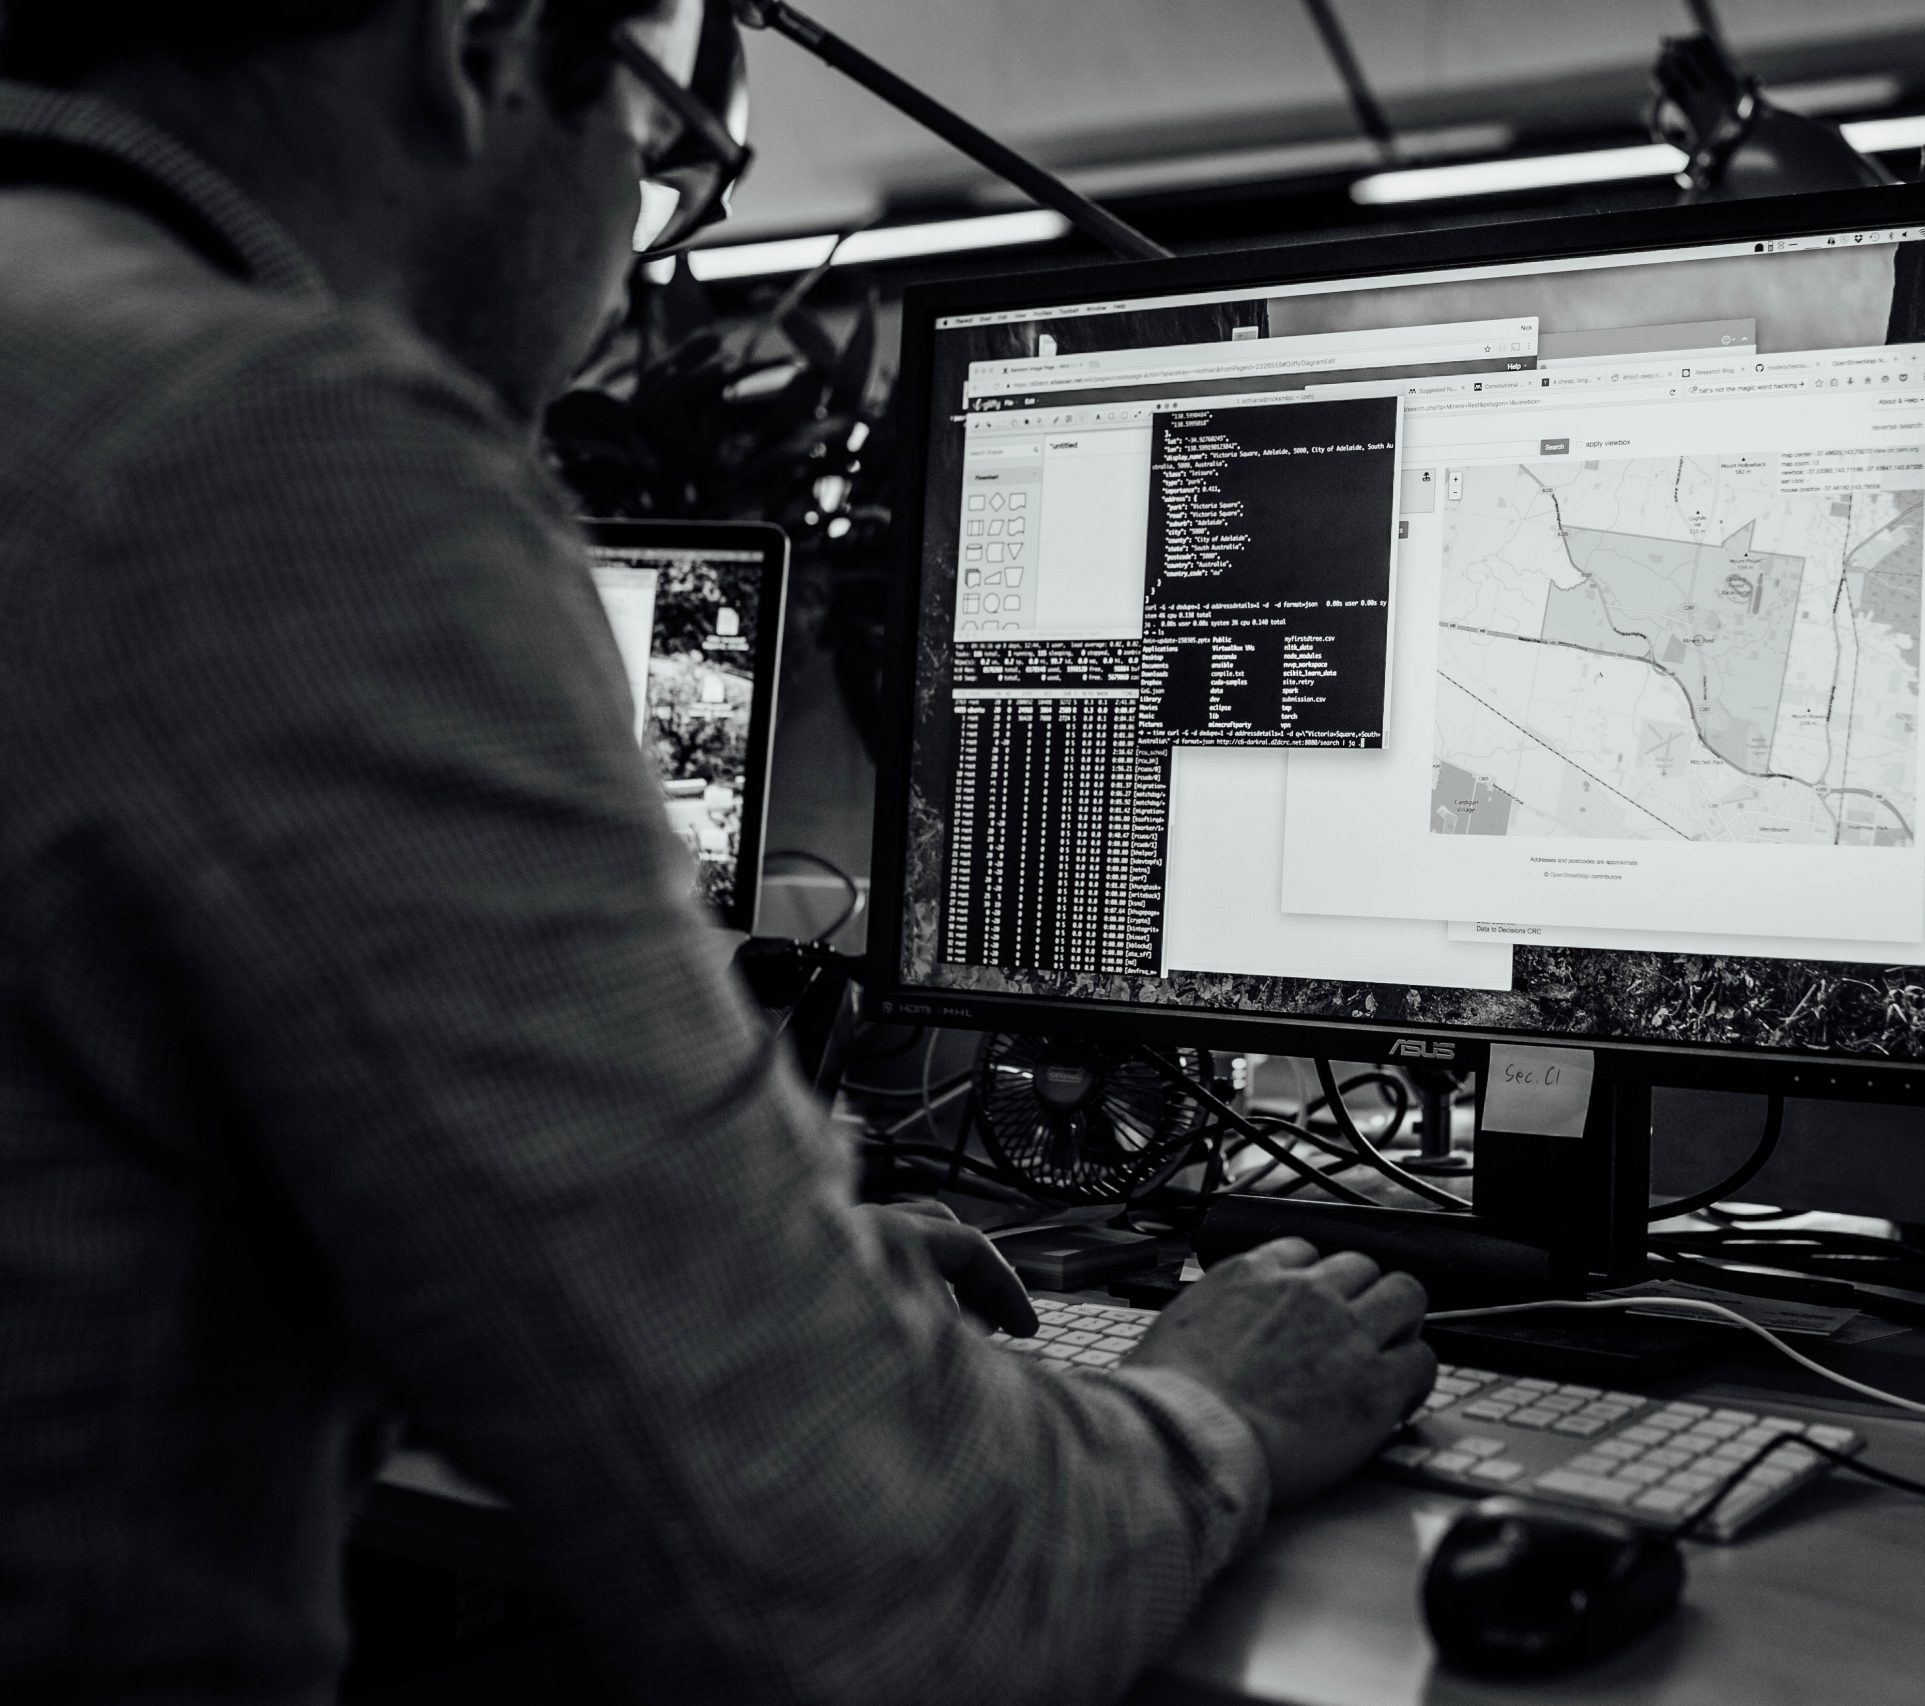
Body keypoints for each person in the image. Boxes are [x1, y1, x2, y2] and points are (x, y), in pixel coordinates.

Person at [0, 3, 1436, 1703]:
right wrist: (1221, 1405)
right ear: (493, 52)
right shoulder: (281, 450)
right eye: (671, 158)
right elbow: (886, 1587)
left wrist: (743, 1296)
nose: (637, 261)